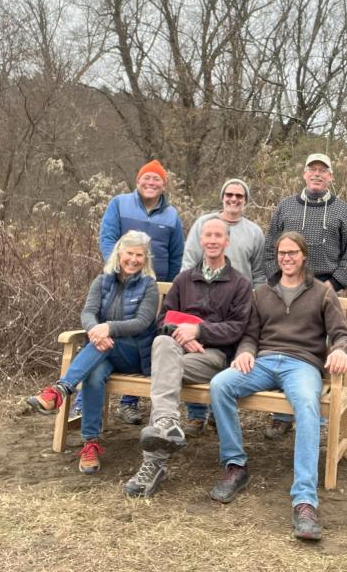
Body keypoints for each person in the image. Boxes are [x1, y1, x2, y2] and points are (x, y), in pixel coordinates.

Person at [208, 231, 347, 541]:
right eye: (281, 253)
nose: (286, 258)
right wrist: (247, 352)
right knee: (221, 384)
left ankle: (304, 500)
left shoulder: (322, 293)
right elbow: (250, 334)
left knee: (306, 404)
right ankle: (235, 466)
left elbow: (343, 335)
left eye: (292, 253)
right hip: (263, 363)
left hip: (302, 365)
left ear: (303, 256)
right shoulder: (262, 293)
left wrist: (341, 350)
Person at [123, 216, 251, 498]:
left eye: (219, 236)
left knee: (164, 369)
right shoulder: (184, 279)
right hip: (178, 352)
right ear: (201, 241)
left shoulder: (239, 284)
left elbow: (238, 328)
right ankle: (167, 424)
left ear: (227, 241)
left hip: (213, 356)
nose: (213, 240)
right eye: (208, 236)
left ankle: (153, 462)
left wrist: (200, 332)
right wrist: (180, 332)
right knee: (162, 342)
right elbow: (162, 321)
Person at [26, 231, 159, 475]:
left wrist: (107, 328)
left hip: (135, 355)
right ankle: (90, 444)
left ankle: (60, 390)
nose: (133, 259)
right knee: (94, 374)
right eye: (129, 253)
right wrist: (95, 329)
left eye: (139, 255)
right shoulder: (102, 280)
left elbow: (142, 322)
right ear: (120, 253)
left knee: (104, 345)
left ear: (145, 259)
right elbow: (88, 312)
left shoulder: (149, 286)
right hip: (104, 352)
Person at [262, 153, 347, 440]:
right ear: (304, 174)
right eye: (312, 169)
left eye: (323, 170)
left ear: (331, 176)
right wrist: (276, 281)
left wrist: (334, 283)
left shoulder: (342, 210)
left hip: (325, 288)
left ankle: (316, 418)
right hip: (287, 289)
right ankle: (282, 414)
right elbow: (271, 247)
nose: (317, 174)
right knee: (284, 343)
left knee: (319, 351)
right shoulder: (286, 207)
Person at [94, 159, 184, 424]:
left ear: (164, 185)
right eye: (147, 178)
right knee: (109, 333)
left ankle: (129, 403)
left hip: (158, 287)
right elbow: (108, 239)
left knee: (147, 338)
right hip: (122, 282)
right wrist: (119, 271)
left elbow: (177, 253)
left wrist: (171, 285)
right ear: (138, 181)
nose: (151, 183)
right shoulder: (119, 204)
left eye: (157, 179)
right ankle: (83, 401)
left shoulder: (172, 215)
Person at [179, 177, 266, 434]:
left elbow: (259, 273)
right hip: (201, 297)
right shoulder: (202, 225)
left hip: (237, 303)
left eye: (239, 196)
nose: (234, 199)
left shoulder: (254, 232)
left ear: (246, 201)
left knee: (227, 354)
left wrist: (256, 302)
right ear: (222, 197)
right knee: (196, 351)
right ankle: (196, 415)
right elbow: (188, 262)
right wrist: (186, 295)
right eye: (229, 194)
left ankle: (220, 412)